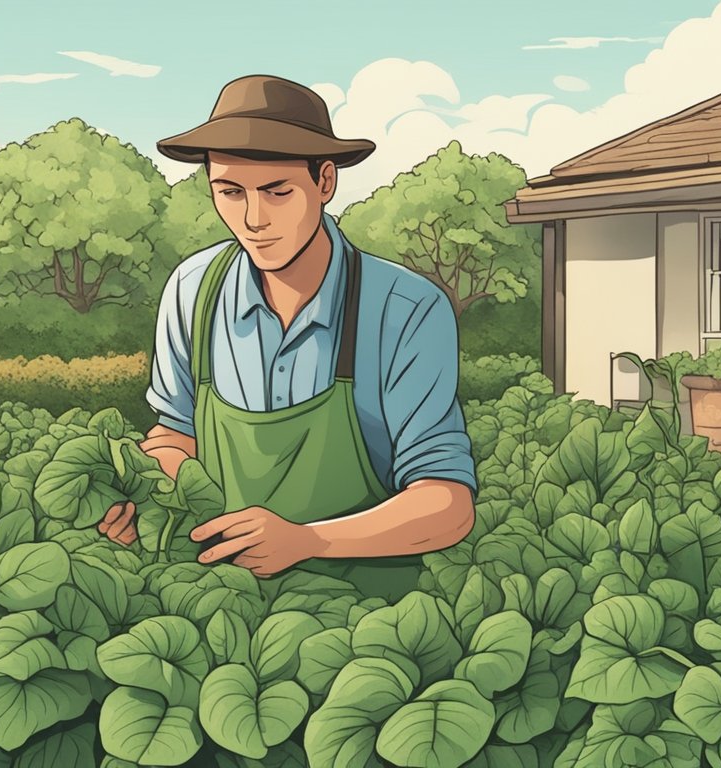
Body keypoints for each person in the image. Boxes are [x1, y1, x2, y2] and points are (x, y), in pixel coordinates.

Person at [97, 74, 476, 601]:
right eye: (230, 192)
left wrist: (308, 540)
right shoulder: (191, 290)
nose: (253, 220)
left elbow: (447, 504)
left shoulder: (405, 309)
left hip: (368, 624)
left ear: (325, 182)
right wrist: (150, 495)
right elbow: (175, 436)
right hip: (219, 600)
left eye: (277, 191)